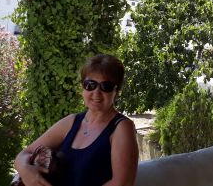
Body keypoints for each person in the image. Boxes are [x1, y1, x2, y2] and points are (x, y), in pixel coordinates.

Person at [15, 54, 138, 186]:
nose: (96, 93)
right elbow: (24, 154)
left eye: (106, 86)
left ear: (117, 91)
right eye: (90, 85)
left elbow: (122, 183)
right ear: (82, 88)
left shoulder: (122, 127)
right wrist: (26, 170)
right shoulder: (71, 122)